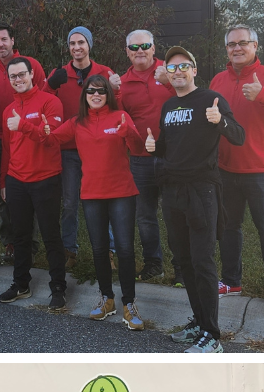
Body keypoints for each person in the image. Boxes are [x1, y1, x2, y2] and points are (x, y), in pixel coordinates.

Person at [28, 75, 146, 329]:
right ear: (85, 95)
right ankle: (107, 298)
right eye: (91, 91)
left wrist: (130, 133)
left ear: (108, 94)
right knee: (99, 249)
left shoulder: (120, 117)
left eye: (101, 91)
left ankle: (129, 303)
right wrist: (38, 128)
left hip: (122, 192)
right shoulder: (76, 123)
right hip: (92, 194)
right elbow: (49, 141)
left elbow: (137, 148)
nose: (96, 94)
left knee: (124, 249)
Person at [147, 47, 245, 354]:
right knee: (184, 261)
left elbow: (239, 136)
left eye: (184, 67)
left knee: (203, 262)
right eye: (172, 68)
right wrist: (153, 146)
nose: (178, 72)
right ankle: (200, 323)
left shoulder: (210, 100)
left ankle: (213, 336)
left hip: (201, 190)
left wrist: (220, 121)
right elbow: (167, 147)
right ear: (167, 73)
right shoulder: (168, 107)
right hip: (173, 191)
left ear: (194, 70)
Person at [210, 24, 264, 312]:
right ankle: (230, 281)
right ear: (226, 49)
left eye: (243, 43)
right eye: (231, 44)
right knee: (229, 227)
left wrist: (263, 95)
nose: (237, 48)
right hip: (227, 168)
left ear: (255, 46)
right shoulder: (218, 80)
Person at [45, 27, 121, 268]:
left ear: (89, 45)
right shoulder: (59, 74)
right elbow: (44, 102)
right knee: (69, 202)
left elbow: (117, 106)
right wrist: (49, 86)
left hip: (97, 147)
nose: (77, 47)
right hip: (69, 148)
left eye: (81, 42)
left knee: (102, 197)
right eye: (72, 43)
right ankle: (69, 249)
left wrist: (116, 88)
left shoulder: (104, 73)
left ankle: (108, 250)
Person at [0, 57, 68, 310]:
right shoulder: (7, 110)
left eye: (22, 74)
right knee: (21, 235)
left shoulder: (51, 102)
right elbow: (7, 148)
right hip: (16, 180)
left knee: (50, 235)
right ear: (9, 80)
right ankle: (21, 284)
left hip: (46, 178)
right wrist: (4, 179)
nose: (18, 79)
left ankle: (58, 287)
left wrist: (25, 125)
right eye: (13, 76)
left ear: (32, 75)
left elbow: (52, 140)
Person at [0, 24, 46, 255]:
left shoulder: (31, 65)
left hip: (29, 136)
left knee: (31, 192)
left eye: (4, 39)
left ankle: (31, 243)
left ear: (12, 40)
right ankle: (10, 241)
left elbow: (45, 95)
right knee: (4, 192)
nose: (0, 44)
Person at [119, 30, 178, 283]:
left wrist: (167, 81)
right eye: (134, 47)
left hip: (173, 157)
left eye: (145, 45)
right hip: (140, 158)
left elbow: (193, 100)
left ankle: (183, 266)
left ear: (154, 48)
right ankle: (154, 264)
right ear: (127, 52)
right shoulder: (122, 83)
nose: (139, 50)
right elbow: (119, 119)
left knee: (177, 213)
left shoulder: (173, 70)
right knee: (145, 216)